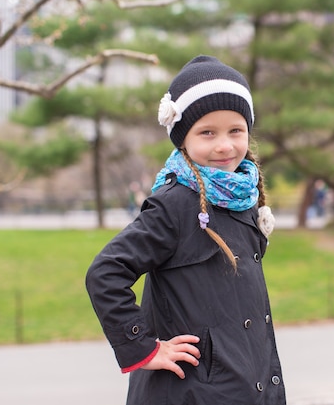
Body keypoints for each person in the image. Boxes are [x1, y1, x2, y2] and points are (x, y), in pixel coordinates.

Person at [86, 55, 285, 405]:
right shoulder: (175, 203)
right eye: (207, 132)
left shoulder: (244, 196)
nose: (224, 145)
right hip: (189, 392)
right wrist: (143, 347)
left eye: (235, 130)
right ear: (183, 138)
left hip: (249, 387)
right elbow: (105, 272)